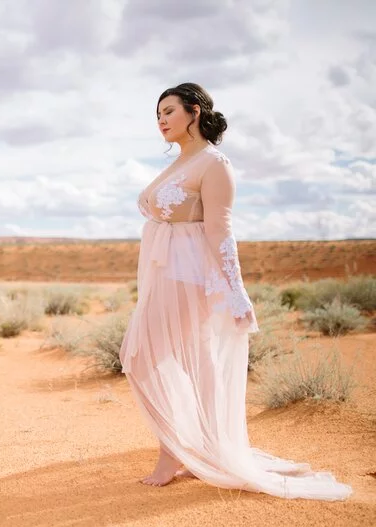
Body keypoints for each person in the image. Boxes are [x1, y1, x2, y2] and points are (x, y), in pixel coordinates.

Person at [118, 82, 352, 500]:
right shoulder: (178, 163)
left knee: (148, 355)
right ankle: (191, 444)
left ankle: (177, 450)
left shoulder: (214, 164)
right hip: (162, 273)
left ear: (194, 111)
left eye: (168, 111)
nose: (161, 121)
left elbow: (220, 231)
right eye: (157, 115)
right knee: (163, 356)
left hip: (189, 274)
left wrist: (235, 290)